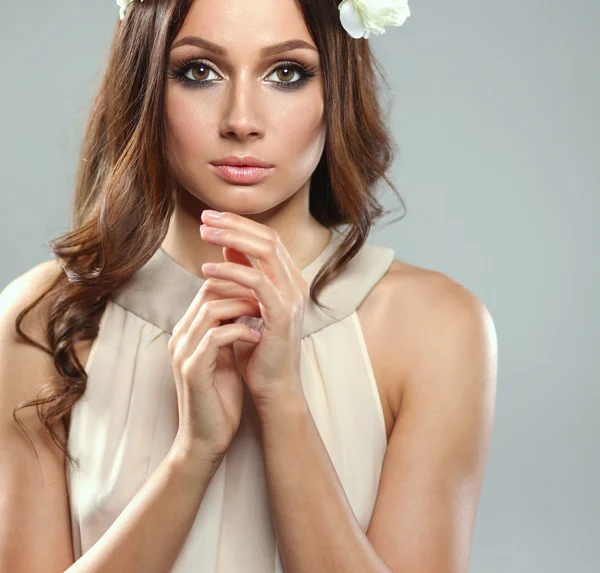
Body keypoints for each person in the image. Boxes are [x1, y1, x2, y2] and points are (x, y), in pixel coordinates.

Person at [0, 0, 498, 571]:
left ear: (337, 87)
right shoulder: (43, 319)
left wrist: (283, 404)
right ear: (145, 85)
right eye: (199, 72)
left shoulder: (436, 329)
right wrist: (192, 456)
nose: (241, 119)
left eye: (287, 73)